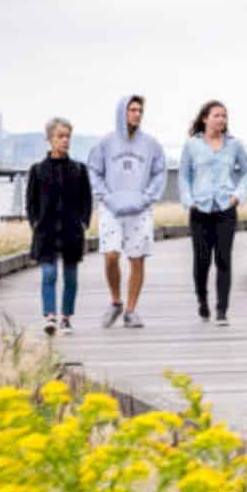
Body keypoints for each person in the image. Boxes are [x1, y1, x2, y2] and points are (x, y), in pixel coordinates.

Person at [86, 94, 166, 328]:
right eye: (132, 110)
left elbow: (159, 172)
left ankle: (131, 311)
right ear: (122, 112)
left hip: (139, 209)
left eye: (140, 111)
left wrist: (147, 198)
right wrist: (106, 197)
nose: (137, 114)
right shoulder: (105, 143)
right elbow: (94, 171)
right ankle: (115, 301)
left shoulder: (151, 144)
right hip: (112, 208)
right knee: (111, 256)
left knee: (137, 259)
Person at [180, 100, 247, 326]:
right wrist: (189, 200)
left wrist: (238, 196)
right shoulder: (192, 145)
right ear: (205, 118)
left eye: (224, 116)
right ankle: (202, 301)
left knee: (223, 259)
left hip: (225, 209)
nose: (221, 119)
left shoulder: (234, 145)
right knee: (202, 261)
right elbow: (184, 177)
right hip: (200, 209)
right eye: (216, 115)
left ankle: (222, 310)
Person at [24, 117, 93, 335]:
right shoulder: (37, 170)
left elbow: (87, 199)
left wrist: (83, 222)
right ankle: (50, 316)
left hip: (72, 232)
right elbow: (31, 202)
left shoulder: (79, 170)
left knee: (71, 277)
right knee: (49, 274)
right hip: (45, 232)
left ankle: (66, 318)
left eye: (67, 136)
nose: (65, 141)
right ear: (49, 139)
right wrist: (35, 223)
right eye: (60, 136)